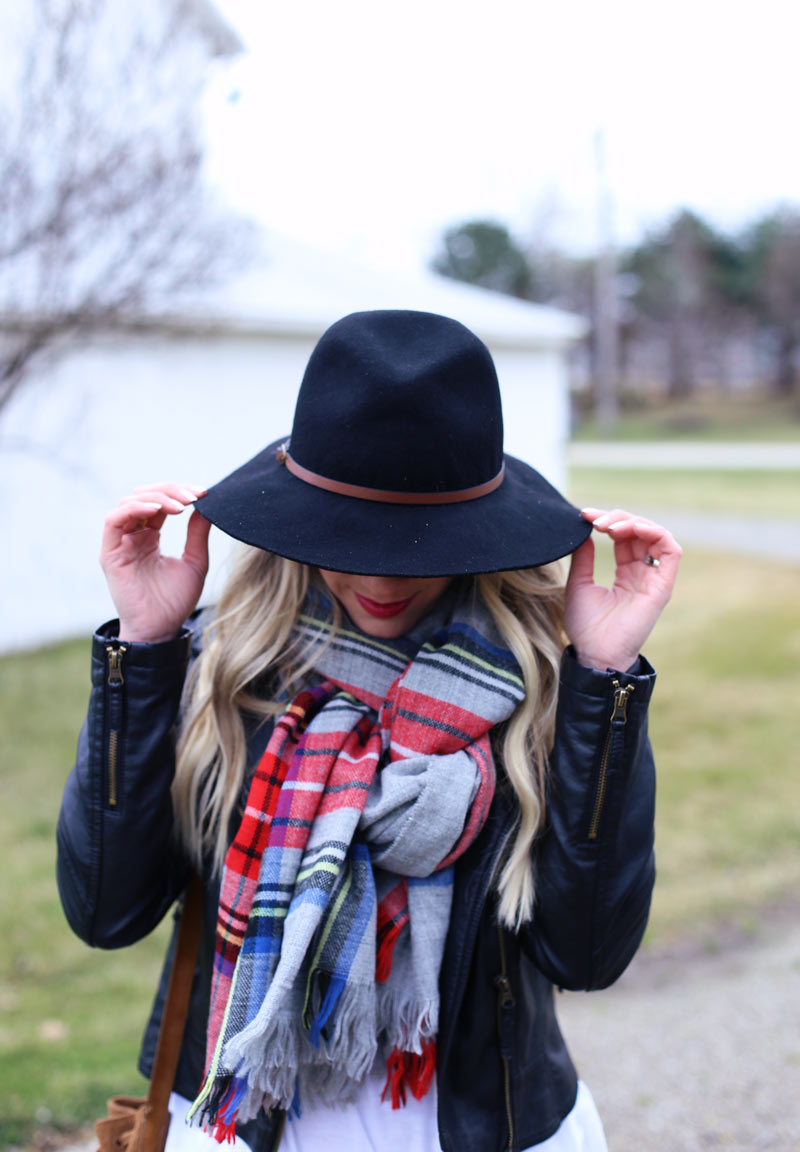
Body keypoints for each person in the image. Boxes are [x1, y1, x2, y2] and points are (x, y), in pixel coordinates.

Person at [57, 309, 681, 1152]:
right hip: (240, 1123)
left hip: (484, 1131)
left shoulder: (542, 685)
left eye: (420, 547)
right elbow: (106, 912)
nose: (383, 580)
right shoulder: (223, 668)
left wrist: (603, 682)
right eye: (352, 541)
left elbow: (588, 955)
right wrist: (142, 650)